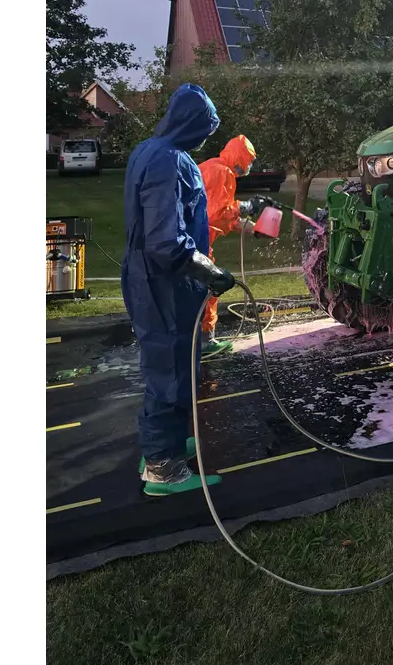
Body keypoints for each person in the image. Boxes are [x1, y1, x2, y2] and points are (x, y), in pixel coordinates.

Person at [121, 84, 238, 496]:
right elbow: (166, 242)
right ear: (189, 123)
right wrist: (209, 271)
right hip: (164, 284)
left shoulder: (148, 151)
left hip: (150, 278)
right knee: (170, 370)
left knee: (165, 365)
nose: (206, 139)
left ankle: (162, 444)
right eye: (204, 129)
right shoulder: (169, 162)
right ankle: (163, 469)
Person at [196, 134, 272, 358]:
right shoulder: (223, 172)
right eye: (248, 162)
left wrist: (253, 228)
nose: (249, 167)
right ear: (241, 158)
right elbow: (217, 213)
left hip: (196, 238)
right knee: (209, 289)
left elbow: (223, 218)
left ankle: (196, 340)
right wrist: (247, 206)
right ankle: (204, 343)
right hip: (197, 241)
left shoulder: (213, 167)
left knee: (202, 291)